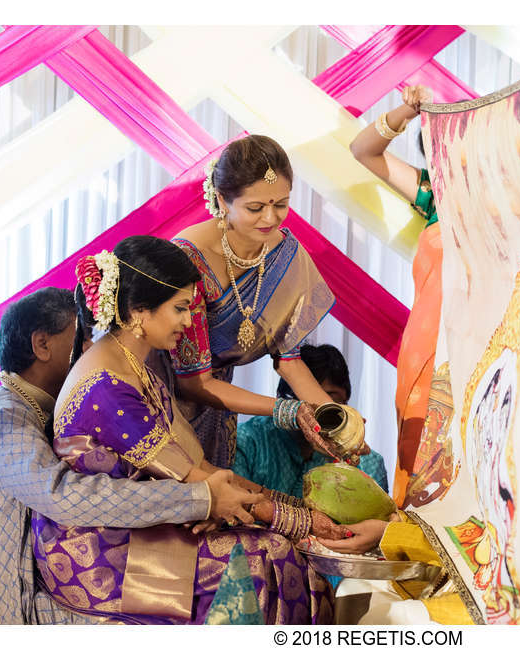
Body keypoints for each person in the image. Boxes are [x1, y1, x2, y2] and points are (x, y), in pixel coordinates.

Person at [33, 235, 345, 624]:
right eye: (181, 308)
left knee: (286, 551)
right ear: (138, 311)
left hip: (144, 522)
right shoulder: (108, 387)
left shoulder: (134, 365)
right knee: (271, 558)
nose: (189, 321)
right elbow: (195, 483)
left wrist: (297, 509)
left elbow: (198, 464)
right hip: (99, 552)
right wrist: (297, 521)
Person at [0, 288, 214, 624]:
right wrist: (194, 499)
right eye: (83, 337)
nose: (92, 349)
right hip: (25, 607)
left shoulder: (34, 409)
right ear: (42, 345)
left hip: (64, 579)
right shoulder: (5, 418)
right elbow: (63, 496)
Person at [167, 134, 367, 469]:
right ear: (222, 199)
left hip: (219, 406)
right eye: (255, 208)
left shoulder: (284, 254)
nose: (270, 219)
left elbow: (288, 359)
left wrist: (338, 422)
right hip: (164, 401)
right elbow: (193, 381)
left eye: (281, 204)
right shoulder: (189, 258)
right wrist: (287, 410)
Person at [350, 86, 442, 506]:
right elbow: (363, 150)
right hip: (426, 344)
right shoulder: (436, 197)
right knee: (419, 442)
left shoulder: (506, 208)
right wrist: (407, 111)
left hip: (482, 345)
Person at [233, 343, 388, 499]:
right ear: (286, 399)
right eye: (308, 399)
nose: (319, 414)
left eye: (332, 402)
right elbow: (235, 509)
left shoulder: (367, 465)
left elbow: (381, 522)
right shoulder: (248, 442)